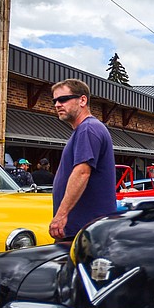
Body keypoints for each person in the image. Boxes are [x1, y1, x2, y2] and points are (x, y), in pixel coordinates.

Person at [50, 79, 117, 242]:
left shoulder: (88, 129)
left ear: (82, 100)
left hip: (85, 231)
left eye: (63, 99)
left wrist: (61, 215)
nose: (57, 104)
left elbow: (82, 172)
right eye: (55, 100)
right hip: (84, 230)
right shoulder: (87, 129)